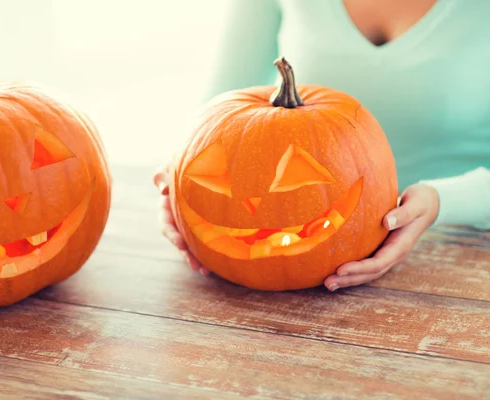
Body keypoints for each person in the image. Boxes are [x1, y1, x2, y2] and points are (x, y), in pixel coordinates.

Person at [153, 0, 490, 291]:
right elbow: (214, 115)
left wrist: (440, 202)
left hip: (461, 253)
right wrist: (180, 183)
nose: (254, 205)